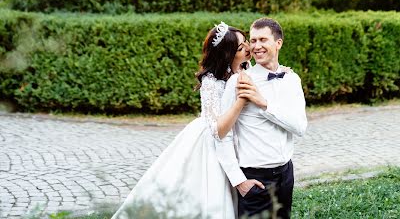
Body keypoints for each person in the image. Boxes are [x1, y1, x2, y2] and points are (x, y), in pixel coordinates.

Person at [111, 21, 264, 219]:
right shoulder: (212, 80)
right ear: (227, 52)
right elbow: (215, 128)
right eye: (240, 47)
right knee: (207, 189)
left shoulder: (246, 70)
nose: (248, 48)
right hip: (209, 141)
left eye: (245, 43)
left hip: (236, 136)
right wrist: (240, 102)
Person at [216, 17, 307, 219]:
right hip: (254, 179)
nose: (256, 46)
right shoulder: (238, 82)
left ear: (278, 43)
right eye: (253, 40)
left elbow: (300, 127)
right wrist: (239, 181)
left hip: (286, 175)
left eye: (263, 40)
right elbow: (222, 135)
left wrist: (264, 104)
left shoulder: (292, 79)